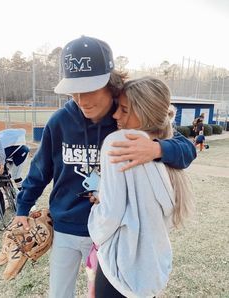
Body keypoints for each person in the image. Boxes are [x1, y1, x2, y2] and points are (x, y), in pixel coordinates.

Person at [11, 36, 196, 298]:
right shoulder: (61, 121)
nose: (80, 99)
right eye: (74, 91)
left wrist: (157, 149)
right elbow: (40, 171)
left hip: (108, 234)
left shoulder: (126, 117)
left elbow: (186, 150)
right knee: (58, 294)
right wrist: (21, 209)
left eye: (89, 89)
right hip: (65, 226)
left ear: (112, 84)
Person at [88, 76, 194, 298]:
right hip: (151, 269)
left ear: (145, 112)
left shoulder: (119, 141)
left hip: (119, 268)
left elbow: (110, 214)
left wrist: (95, 228)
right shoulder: (167, 144)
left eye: (125, 110)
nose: (116, 115)